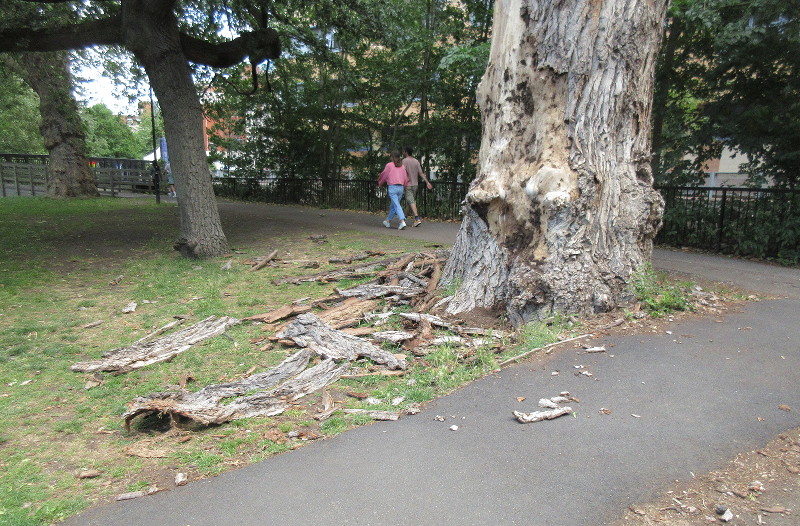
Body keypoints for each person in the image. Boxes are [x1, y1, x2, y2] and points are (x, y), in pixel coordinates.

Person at [401, 146, 433, 227]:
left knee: (411, 202)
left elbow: (402, 173)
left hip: (407, 185)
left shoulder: (404, 161)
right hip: (415, 185)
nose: (402, 152)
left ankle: (416, 218)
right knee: (410, 202)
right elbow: (421, 173)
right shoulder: (416, 161)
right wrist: (427, 182)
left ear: (406, 152)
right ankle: (404, 219)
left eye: (403, 151)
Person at [377, 150, 409, 230]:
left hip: (392, 187)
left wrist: (380, 183)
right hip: (400, 187)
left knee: (396, 205)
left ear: (392, 157)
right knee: (393, 205)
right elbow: (405, 177)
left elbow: (384, 175)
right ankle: (388, 221)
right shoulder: (402, 166)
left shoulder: (389, 165)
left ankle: (402, 221)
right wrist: (405, 186)